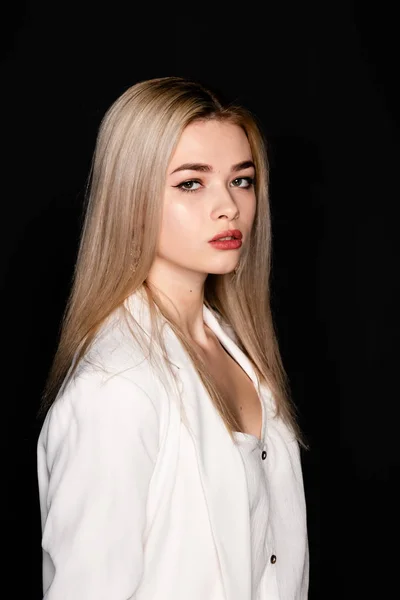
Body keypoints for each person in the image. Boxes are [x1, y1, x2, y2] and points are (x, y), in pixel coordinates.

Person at [37, 76, 309, 600]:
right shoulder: (115, 388)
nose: (228, 207)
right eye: (191, 183)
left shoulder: (236, 351)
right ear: (131, 197)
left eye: (242, 180)